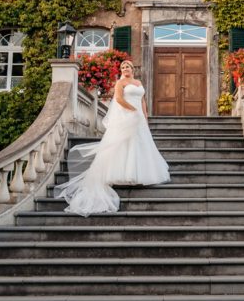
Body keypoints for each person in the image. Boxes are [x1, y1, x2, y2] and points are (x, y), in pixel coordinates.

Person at [54, 60, 170, 215]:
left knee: (140, 143)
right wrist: (133, 110)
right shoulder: (120, 83)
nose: (125, 69)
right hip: (127, 115)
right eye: (122, 67)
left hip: (139, 118)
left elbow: (142, 99)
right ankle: (122, 174)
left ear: (132, 68)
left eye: (127, 66)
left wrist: (144, 115)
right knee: (123, 143)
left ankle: (139, 173)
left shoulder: (138, 82)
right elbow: (119, 100)